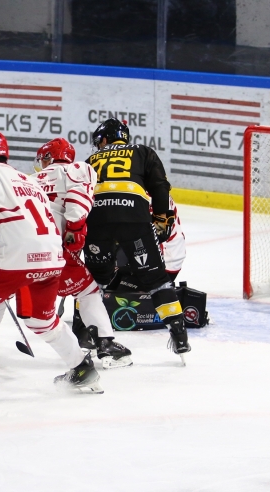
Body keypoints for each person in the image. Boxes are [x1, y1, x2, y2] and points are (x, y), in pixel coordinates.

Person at [0, 131, 102, 408]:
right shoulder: (27, 179)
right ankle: (83, 369)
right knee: (41, 319)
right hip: (52, 257)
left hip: (14, 255)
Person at [84, 118, 191, 361]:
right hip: (135, 218)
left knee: (91, 282)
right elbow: (161, 187)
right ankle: (179, 334)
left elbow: (78, 197)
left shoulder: (91, 160)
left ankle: (87, 335)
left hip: (97, 220)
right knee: (157, 281)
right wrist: (162, 218)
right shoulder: (143, 152)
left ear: (103, 139)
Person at [28, 137, 133, 369]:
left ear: (47, 157)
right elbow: (78, 202)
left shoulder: (29, 180)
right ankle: (105, 344)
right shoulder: (77, 169)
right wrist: (75, 230)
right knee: (88, 291)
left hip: (22, 248)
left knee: (1, 289)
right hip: (55, 248)